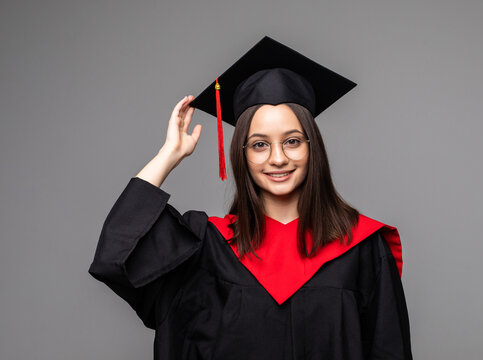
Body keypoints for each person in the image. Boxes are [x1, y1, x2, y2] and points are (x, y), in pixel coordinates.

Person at [89, 36, 413, 360]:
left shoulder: (362, 248)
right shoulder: (206, 247)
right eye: (260, 144)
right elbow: (117, 256)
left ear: (312, 147)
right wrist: (167, 155)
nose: (278, 158)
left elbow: (390, 350)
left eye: (292, 141)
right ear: (241, 155)